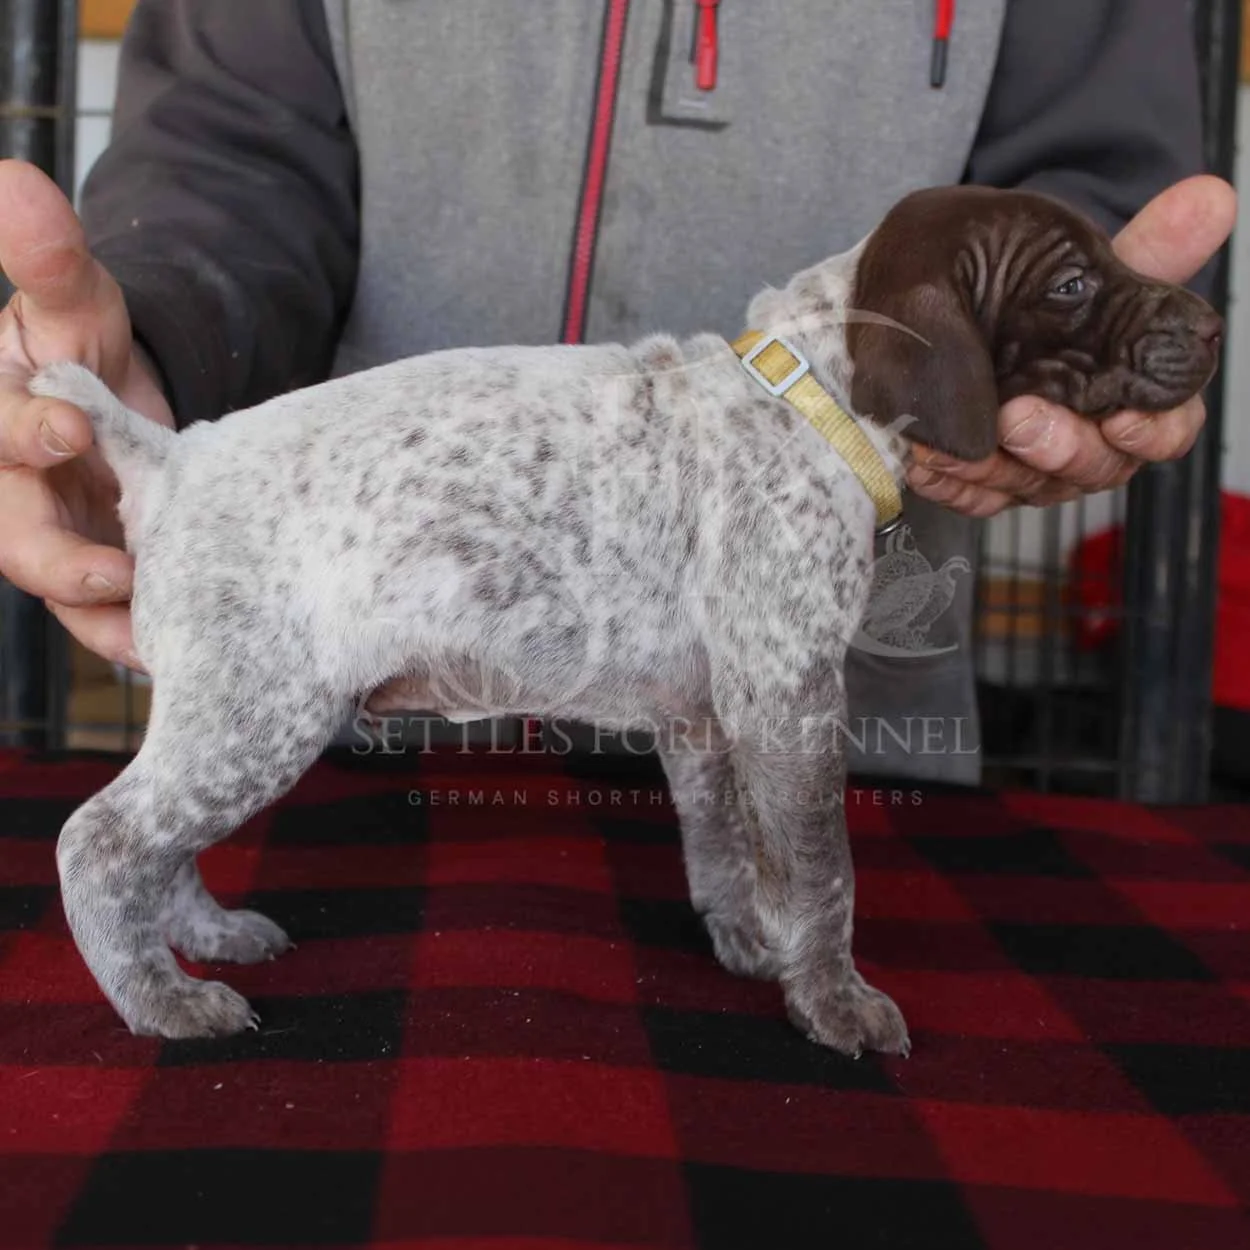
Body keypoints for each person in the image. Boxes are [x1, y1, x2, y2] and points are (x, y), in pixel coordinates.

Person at [0, 0, 1235, 781]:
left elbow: (1075, 209)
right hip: (362, 701)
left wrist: (1085, 358)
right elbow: (235, 146)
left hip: (840, 731)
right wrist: (155, 342)